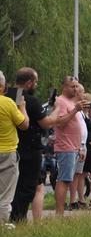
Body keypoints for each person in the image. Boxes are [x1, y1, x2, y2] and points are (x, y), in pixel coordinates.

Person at [5, 67, 59, 222]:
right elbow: (46, 123)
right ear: (29, 83)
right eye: (35, 82)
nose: (36, 85)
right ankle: (17, 219)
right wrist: (57, 110)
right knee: (27, 187)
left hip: (11, 147)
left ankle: (9, 218)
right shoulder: (30, 100)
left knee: (11, 186)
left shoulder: (7, 96)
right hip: (29, 149)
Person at [53, 76, 87, 216]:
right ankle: (59, 213)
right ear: (65, 87)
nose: (76, 89)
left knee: (68, 179)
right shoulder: (60, 101)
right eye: (73, 86)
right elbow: (60, 122)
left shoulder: (69, 102)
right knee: (64, 180)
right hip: (65, 146)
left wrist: (80, 146)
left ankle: (60, 213)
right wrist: (75, 110)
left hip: (73, 147)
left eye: (76, 86)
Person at [0, 70, 29, 225]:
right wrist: (22, 107)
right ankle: (2, 229)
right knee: (5, 196)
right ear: (2, 87)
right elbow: (24, 125)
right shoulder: (8, 103)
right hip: (7, 153)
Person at [69, 89, 91, 210]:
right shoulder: (75, 109)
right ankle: (72, 201)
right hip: (77, 145)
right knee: (73, 174)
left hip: (82, 145)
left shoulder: (82, 113)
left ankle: (78, 200)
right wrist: (79, 145)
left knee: (78, 174)